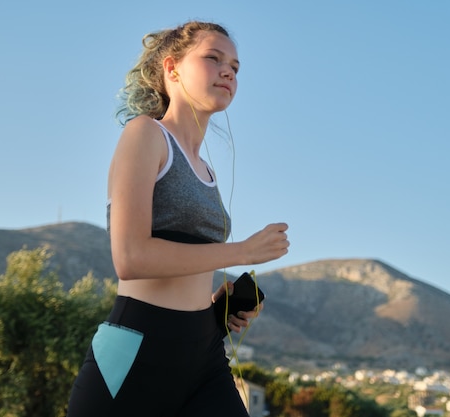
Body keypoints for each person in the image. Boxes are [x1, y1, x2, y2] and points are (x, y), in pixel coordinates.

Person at [66, 20, 289, 417]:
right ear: (172, 69)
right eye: (213, 59)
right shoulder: (145, 135)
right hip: (138, 350)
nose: (228, 72)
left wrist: (215, 303)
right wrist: (241, 252)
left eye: (235, 68)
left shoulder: (208, 170)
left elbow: (186, 261)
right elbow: (131, 258)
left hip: (204, 350)